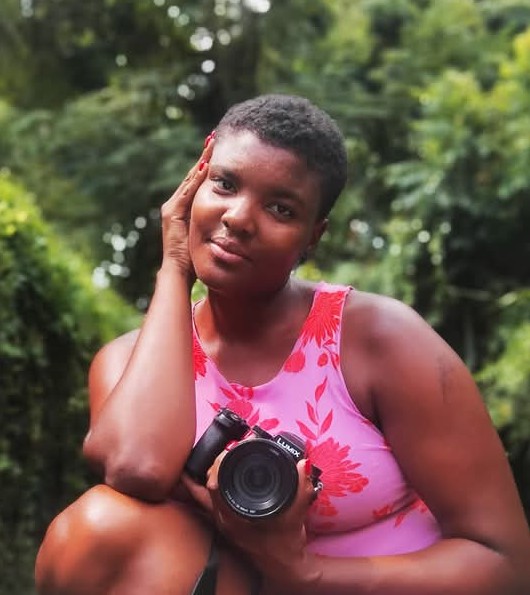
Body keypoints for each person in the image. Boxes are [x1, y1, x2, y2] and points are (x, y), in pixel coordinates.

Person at [35, 94, 530, 595]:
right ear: (193, 184)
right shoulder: (129, 360)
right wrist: (174, 269)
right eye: (224, 184)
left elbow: (505, 563)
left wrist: (307, 574)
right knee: (95, 530)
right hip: (242, 581)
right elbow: (135, 469)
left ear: (312, 237)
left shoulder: (380, 341)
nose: (238, 218)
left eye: (280, 208)